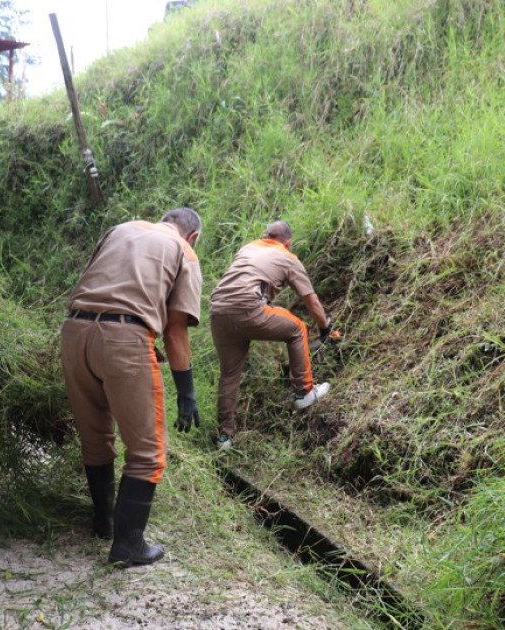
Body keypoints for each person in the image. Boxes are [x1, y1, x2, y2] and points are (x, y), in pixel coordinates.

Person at [61, 207, 203, 567]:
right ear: (193, 236)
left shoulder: (119, 228)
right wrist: (186, 394)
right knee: (147, 452)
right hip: (124, 339)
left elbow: (103, 287)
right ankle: (128, 545)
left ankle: (104, 521)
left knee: (95, 438)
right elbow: (175, 331)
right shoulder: (184, 251)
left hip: (74, 333)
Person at [209, 220, 332, 450]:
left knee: (229, 375)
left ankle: (224, 437)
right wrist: (324, 326)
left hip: (218, 311)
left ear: (265, 235)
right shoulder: (287, 257)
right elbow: (310, 300)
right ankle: (304, 392)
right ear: (288, 242)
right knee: (297, 329)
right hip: (249, 308)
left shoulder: (247, 248)